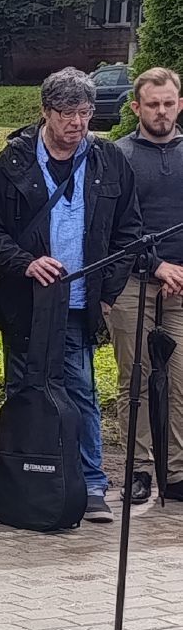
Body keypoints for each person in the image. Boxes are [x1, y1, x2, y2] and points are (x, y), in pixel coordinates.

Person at [0, 67, 144, 524]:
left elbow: (128, 232)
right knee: (23, 390)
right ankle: (21, 479)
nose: (78, 122)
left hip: (78, 303)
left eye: (86, 112)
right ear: (46, 112)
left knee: (81, 391)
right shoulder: (14, 159)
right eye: (68, 113)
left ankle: (90, 483)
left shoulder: (109, 160)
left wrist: (106, 291)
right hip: (25, 302)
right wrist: (26, 263)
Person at [107, 68, 183, 501]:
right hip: (133, 283)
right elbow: (115, 228)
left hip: (182, 288)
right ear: (136, 107)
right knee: (133, 380)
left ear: (180, 104)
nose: (161, 111)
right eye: (152, 104)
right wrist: (156, 266)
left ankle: (176, 473)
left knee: (178, 381)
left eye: (168, 103)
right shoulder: (120, 157)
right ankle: (137, 472)